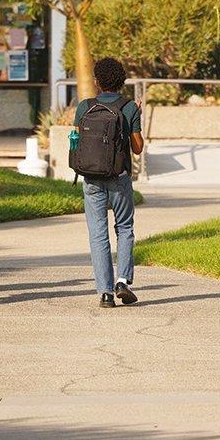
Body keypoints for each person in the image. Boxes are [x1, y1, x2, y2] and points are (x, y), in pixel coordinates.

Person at [77, 56, 143, 308]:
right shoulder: (128, 108)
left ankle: (104, 292)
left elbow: (76, 141)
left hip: (92, 178)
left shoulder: (85, 107)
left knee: (97, 234)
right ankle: (122, 280)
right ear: (121, 81)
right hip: (119, 177)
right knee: (124, 228)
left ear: (97, 82)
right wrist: (137, 117)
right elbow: (137, 149)